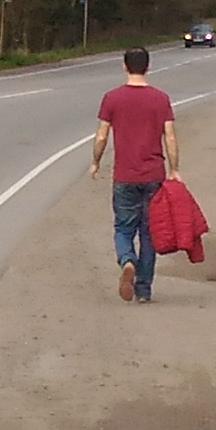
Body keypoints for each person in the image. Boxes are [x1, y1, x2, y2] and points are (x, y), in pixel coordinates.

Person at [89, 43, 180, 302]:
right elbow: (170, 137)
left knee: (123, 228)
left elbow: (101, 135)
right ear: (148, 66)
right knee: (149, 234)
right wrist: (174, 169)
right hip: (154, 176)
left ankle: (127, 260)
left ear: (124, 66)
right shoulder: (160, 98)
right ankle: (143, 289)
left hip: (124, 176)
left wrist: (95, 162)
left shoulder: (112, 98)